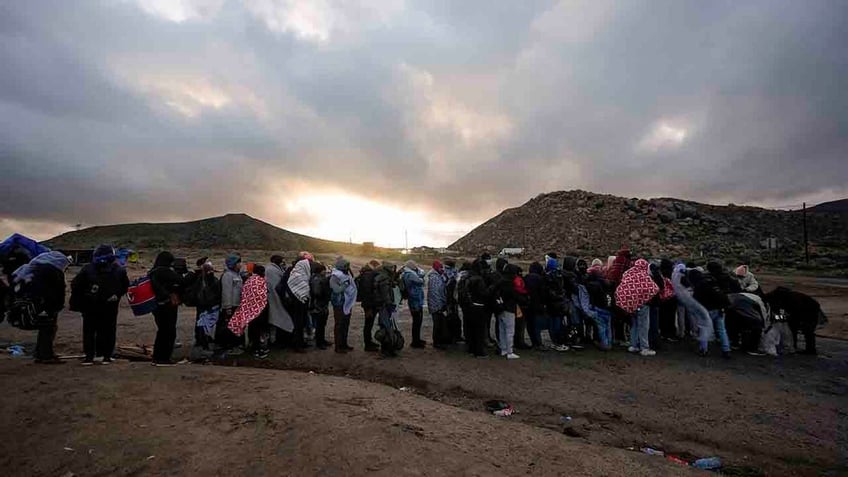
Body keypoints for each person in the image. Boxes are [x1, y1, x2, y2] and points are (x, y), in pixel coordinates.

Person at [69, 245, 129, 365]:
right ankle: (105, 356)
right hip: (109, 305)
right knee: (108, 330)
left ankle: (89, 356)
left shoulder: (87, 268)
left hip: (90, 304)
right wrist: (116, 295)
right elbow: (125, 286)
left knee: (89, 331)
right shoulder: (119, 269)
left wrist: (83, 298)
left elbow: (75, 285)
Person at [11, 251, 70, 364]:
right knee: (48, 328)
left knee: (45, 328)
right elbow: (57, 292)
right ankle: (45, 355)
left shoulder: (30, 268)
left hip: (27, 304)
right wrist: (56, 307)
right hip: (44, 305)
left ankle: (40, 353)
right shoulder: (54, 272)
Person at [615, 258, 659, 357]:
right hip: (642, 305)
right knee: (644, 326)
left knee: (634, 325)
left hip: (630, 305)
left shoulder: (628, 274)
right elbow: (654, 288)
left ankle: (633, 345)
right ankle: (644, 348)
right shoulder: (644, 276)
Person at [227, 265, 270, 358]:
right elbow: (263, 295)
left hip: (249, 309)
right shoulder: (261, 281)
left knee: (252, 329)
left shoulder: (249, 280)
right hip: (259, 310)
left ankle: (253, 347)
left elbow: (245, 293)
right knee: (257, 331)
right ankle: (256, 350)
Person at [148, 251, 182, 366]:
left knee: (162, 331)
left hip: (156, 305)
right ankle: (164, 358)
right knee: (169, 331)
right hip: (167, 305)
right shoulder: (164, 271)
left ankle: (157, 357)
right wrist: (192, 273)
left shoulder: (153, 271)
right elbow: (181, 281)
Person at [690, 267, 732, 358]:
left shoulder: (699, 285)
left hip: (707, 310)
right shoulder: (713, 283)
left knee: (704, 329)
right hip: (719, 309)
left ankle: (703, 349)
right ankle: (726, 350)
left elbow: (695, 299)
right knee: (722, 330)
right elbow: (721, 295)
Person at [185, 257, 220, 357]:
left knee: (203, 325)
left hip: (204, 306)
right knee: (203, 326)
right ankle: (202, 345)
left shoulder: (200, 279)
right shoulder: (204, 280)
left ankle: (202, 343)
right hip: (206, 306)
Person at [286, 252, 313, 351]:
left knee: (301, 324)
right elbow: (290, 286)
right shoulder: (294, 273)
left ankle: (301, 343)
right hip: (296, 303)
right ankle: (297, 345)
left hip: (301, 302)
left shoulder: (303, 273)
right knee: (297, 324)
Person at [217, 254, 244, 355]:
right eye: (238, 263)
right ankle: (229, 346)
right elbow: (226, 292)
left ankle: (236, 345)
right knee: (230, 327)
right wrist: (227, 306)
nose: (240, 265)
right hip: (231, 306)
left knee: (237, 326)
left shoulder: (237, 275)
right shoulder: (228, 275)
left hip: (237, 305)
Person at [373, 261, 401, 357]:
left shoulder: (382, 276)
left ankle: (386, 349)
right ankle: (387, 350)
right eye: (392, 268)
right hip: (385, 306)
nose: (393, 270)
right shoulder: (384, 278)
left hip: (382, 305)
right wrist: (390, 305)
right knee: (387, 328)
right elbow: (385, 294)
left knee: (385, 327)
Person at [463, 258, 490, 357]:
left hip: (470, 306)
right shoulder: (479, 279)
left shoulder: (467, 277)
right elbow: (484, 293)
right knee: (479, 330)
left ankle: (471, 349)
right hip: (479, 306)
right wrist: (491, 288)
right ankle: (479, 352)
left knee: (471, 329)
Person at [330, 257, 357, 353]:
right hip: (339, 303)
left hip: (347, 303)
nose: (347, 268)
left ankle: (344, 344)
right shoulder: (335, 276)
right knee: (339, 325)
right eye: (346, 266)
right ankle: (338, 347)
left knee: (345, 324)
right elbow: (336, 290)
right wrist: (345, 285)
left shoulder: (345, 274)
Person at [494, 264, 521, 359]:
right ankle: (510, 351)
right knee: (510, 331)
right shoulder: (510, 283)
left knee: (502, 330)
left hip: (500, 308)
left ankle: (504, 349)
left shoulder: (500, 281)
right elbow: (514, 296)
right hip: (509, 308)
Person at [265, 255, 294, 343]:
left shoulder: (275, 269)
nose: (283, 263)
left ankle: (280, 339)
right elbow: (276, 285)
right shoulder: (271, 270)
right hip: (274, 296)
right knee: (279, 317)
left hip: (276, 296)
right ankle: (278, 341)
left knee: (279, 317)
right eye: (282, 261)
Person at [522, 261, 549, 350]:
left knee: (530, 325)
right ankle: (538, 343)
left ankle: (534, 343)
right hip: (537, 305)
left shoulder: (526, 278)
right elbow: (543, 293)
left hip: (527, 305)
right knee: (536, 325)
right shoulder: (540, 279)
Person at [401, 260, 426, 348]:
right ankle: (415, 342)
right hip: (415, 299)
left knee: (417, 322)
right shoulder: (410, 274)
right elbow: (421, 281)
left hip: (415, 299)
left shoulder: (407, 273)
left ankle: (417, 340)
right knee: (417, 322)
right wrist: (421, 276)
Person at [355, 261, 379, 351]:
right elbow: (367, 292)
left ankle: (369, 342)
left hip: (368, 303)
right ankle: (368, 345)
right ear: (374, 266)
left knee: (369, 324)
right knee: (368, 324)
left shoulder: (365, 274)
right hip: (369, 304)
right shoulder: (368, 275)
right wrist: (368, 307)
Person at [426, 260, 449, 349]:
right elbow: (435, 293)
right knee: (438, 324)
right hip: (436, 305)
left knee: (440, 323)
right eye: (440, 267)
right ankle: (437, 342)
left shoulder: (438, 276)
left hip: (438, 303)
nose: (441, 269)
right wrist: (440, 305)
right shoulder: (434, 278)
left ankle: (439, 341)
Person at [309, 262, 331, 349]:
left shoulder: (317, 278)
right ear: (321, 271)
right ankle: (319, 343)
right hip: (319, 304)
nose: (325, 272)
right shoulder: (317, 279)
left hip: (321, 304)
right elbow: (317, 292)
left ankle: (322, 340)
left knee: (322, 324)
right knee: (320, 324)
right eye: (324, 270)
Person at [443, 258, 463, 343]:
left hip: (448, 298)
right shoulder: (454, 273)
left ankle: (451, 336)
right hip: (451, 299)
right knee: (453, 318)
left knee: (451, 317)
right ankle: (454, 336)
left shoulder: (444, 272)